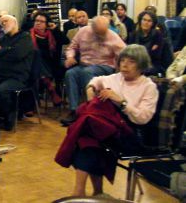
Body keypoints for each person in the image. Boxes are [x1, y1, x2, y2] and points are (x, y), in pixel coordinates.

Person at [56, 45, 158, 197]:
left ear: (141, 64)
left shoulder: (149, 87)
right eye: (122, 60)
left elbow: (143, 118)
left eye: (131, 61)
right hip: (107, 130)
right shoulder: (116, 78)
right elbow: (96, 80)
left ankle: (81, 193)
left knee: (85, 132)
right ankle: (94, 193)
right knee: (89, 138)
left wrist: (122, 102)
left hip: (131, 133)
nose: (124, 65)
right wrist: (90, 88)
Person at [61, 16, 126, 126]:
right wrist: (70, 57)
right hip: (84, 65)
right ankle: (74, 110)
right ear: (92, 27)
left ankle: (90, 109)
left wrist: (121, 68)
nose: (101, 36)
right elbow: (72, 47)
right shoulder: (83, 32)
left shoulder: (113, 36)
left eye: (103, 33)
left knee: (87, 72)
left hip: (104, 66)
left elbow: (124, 53)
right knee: (70, 73)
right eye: (98, 33)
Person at [0, 15, 34, 130]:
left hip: (17, 76)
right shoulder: (4, 38)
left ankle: (10, 114)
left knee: (1, 91)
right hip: (0, 74)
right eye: (0, 22)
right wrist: (7, 50)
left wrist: (2, 50)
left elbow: (17, 55)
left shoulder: (25, 37)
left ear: (14, 22)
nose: (2, 24)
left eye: (5, 21)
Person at [29, 12, 69, 105]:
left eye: (41, 21)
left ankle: (33, 104)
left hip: (51, 65)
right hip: (31, 65)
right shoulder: (28, 34)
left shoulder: (52, 34)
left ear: (47, 24)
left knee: (37, 57)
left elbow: (66, 40)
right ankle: (51, 89)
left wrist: (55, 28)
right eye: (36, 21)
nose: (38, 23)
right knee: (36, 55)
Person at [128, 11, 168, 76]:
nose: (146, 23)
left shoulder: (157, 35)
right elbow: (130, 52)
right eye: (144, 20)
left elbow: (155, 55)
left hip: (152, 64)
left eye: (149, 21)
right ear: (140, 21)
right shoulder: (134, 35)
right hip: (135, 63)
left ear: (153, 23)